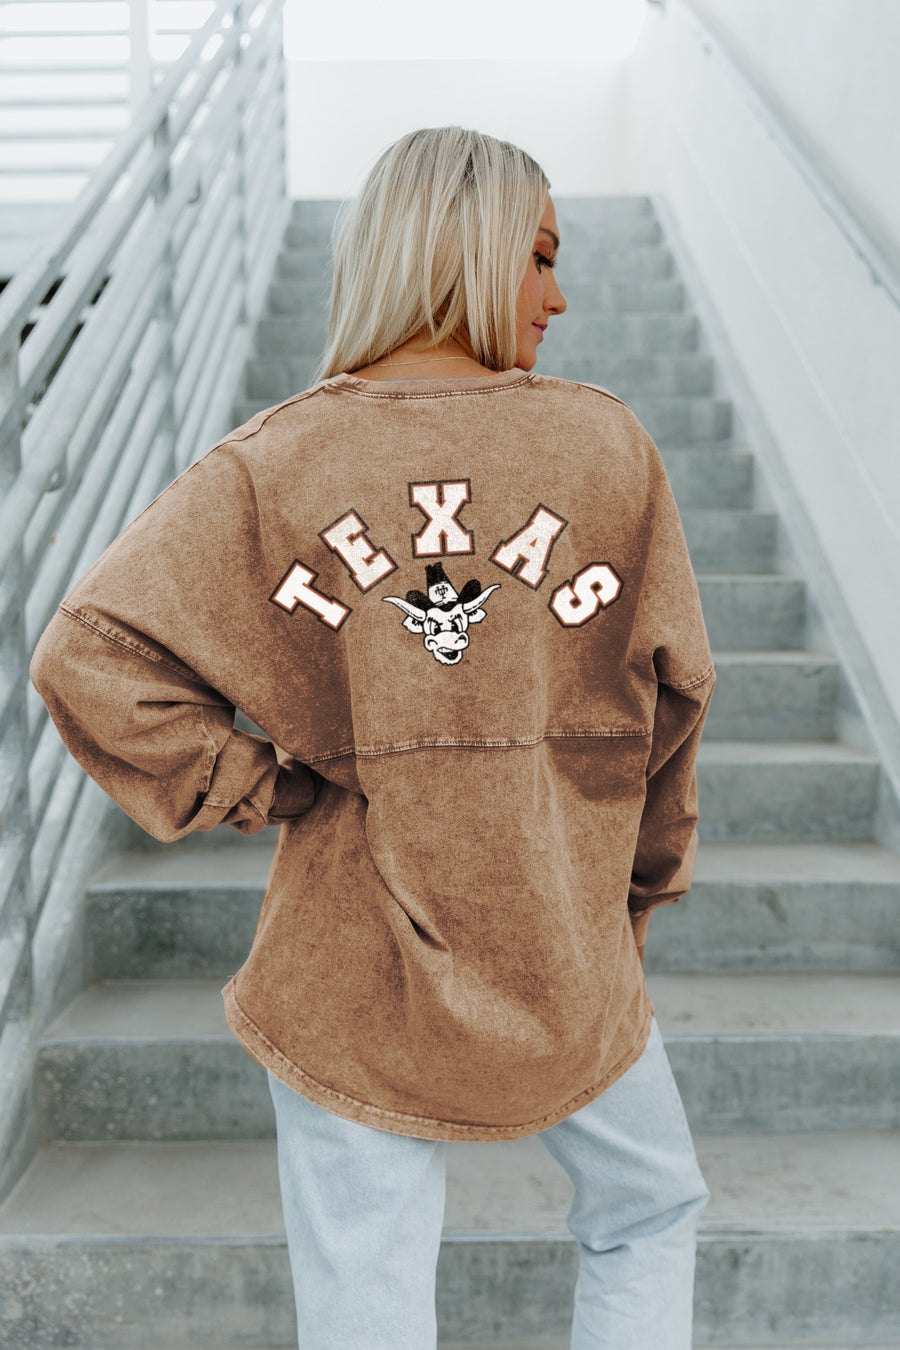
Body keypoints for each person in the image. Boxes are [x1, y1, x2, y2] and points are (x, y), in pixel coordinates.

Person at [30, 126, 715, 1349]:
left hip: (350, 953)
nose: (560, 296)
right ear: (471, 248)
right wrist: (637, 897)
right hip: (560, 938)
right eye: (541, 257)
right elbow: (672, 707)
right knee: (648, 1208)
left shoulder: (271, 462)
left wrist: (266, 790)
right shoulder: (605, 447)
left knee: (366, 1284)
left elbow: (89, 656)